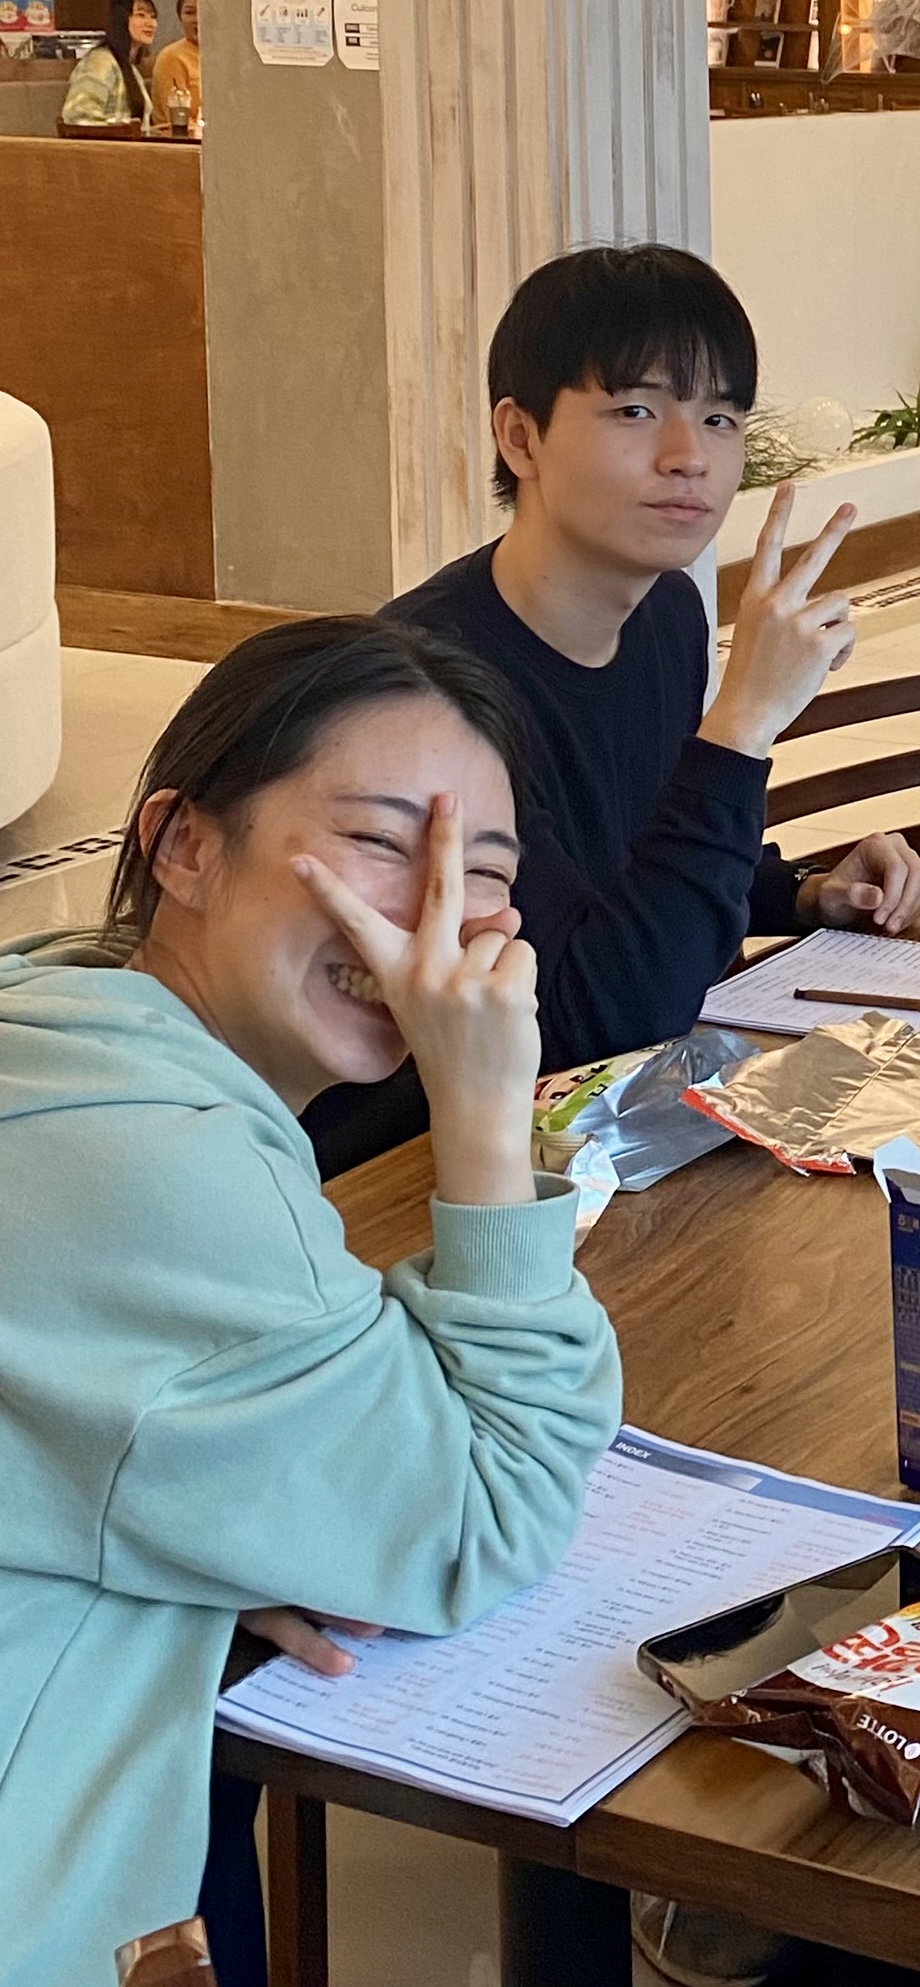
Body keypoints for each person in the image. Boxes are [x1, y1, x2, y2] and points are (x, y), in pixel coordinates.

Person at [0, 619, 619, 1987]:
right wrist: (482, 1116)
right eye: (382, 842)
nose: (431, 922)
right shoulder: (156, 1158)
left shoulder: (51, 1019)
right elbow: (490, 1509)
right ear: (184, 844)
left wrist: (192, 1559)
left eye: (482, 873)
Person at [309, 246, 920, 1176]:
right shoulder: (428, 685)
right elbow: (595, 1015)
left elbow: (631, 863)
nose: (690, 457)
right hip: (416, 1159)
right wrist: (742, 727)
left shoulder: (666, 614)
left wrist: (800, 892)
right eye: (636, 411)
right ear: (520, 438)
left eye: (720, 417)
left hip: (594, 1133)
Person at [57, 0, 153, 130]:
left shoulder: (128, 66)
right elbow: (78, 117)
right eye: (141, 15)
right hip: (110, 144)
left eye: (152, 16)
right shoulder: (100, 61)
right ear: (120, 19)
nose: (151, 23)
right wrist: (123, 131)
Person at [149, 0, 202, 133]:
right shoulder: (171, 57)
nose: (197, 19)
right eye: (189, 13)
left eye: (204, 10)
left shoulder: (225, 56)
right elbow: (177, 122)